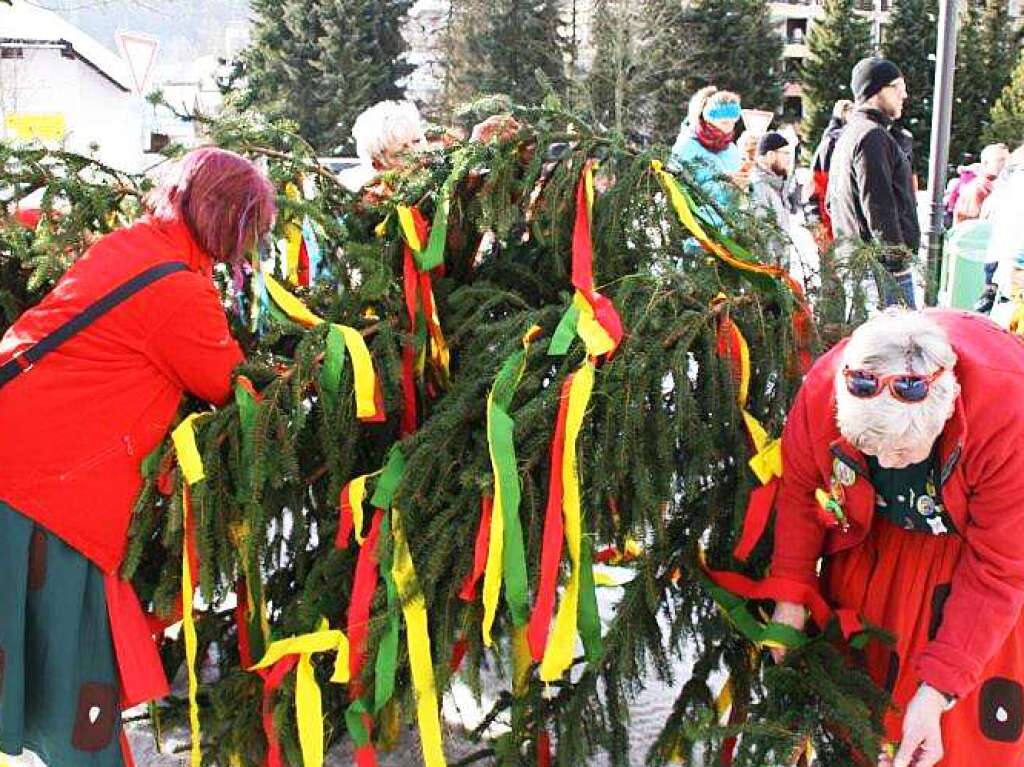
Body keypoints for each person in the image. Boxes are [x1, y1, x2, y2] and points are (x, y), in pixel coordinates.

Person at [0, 147, 276, 767]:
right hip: (44, 489)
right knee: (75, 673)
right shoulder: (179, 291)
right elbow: (226, 383)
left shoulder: (132, 245)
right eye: (248, 228)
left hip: (17, 458)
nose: (250, 245)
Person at [770, 308, 1024, 767]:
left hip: (965, 569)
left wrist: (939, 688)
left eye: (903, 451)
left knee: (958, 727)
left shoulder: (1009, 412)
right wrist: (790, 596)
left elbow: (999, 568)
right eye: (869, 448)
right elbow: (799, 494)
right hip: (876, 555)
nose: (884, 464)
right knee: (867, 701)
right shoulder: (825, 386)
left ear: (947, 409)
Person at [828, 58, 920, 308]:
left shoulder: (853, 133)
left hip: (864, 267)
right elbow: (878, 208)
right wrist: (896, 263)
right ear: (875, 90)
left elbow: (831, 203)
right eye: (897, 86)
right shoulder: (871, 136)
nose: (905, 94)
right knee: (896, 346)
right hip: (881, 272)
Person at [669, 87, 747, 214]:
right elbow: (682, 190)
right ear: (708, 119)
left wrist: (745, 183)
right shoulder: (686, 147)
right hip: (699, 225)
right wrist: (727, 187)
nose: (729, 129)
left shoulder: (731, 150)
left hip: (732, 226)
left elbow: (743, 196)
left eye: (733, 123)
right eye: (724, 122)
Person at [340, 100, 428, 194]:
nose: (416, 152)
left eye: (417, 141)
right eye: (401, 152)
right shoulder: (363, 193)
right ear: (377, 164)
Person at [807, 99, 853, 242]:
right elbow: (817, 188)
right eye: (850, 111)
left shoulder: (831, 141)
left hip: (835, 226)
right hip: (831, 227)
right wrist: (819, 227)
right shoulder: (832, 143)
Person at [748, 131, 795, 266]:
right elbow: (762, 234)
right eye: (785, 153)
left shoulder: (778, 184)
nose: (789, 159)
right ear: (770, 155)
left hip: (781, 266)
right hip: (768, 269)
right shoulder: (759, 186)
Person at [953, 143, 1008, 225]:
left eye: (1007, 160)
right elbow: (969, 226)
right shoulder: (979, 188)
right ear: (986, 163)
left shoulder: (999, 186)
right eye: (1001, 160)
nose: (1005, 164)